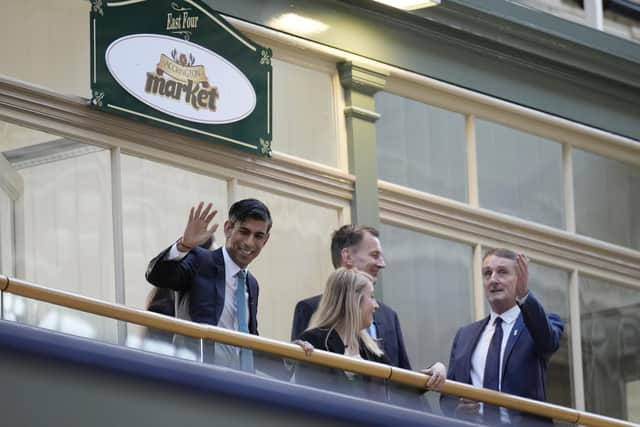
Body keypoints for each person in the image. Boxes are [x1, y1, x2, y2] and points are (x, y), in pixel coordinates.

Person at [441, 249, 564, 426]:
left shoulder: (540, 324)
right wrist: (457, 410)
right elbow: (449, 396)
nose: (493, 279)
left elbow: (548, 342)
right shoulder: (465, 335)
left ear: (520, 279)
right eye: (487, 273)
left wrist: (524, 296)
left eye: (503, 272)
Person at [145, 199, 271, 363]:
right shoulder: (201, 260)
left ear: (265, 240)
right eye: (244, 232)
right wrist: (183, 246)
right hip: (198, 377)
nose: (249, 242)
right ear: (228, 228)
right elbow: (156, 276)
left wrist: (295, 353)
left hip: (239, 383)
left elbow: (250, 341)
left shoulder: (251, 283)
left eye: (258, 236)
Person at [295, 268, 445, 397]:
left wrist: (436, 369)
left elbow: (404, 386)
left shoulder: (371, 350)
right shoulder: (313, 342)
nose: (376, 305)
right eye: (371, 297)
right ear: (354, 301)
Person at [291, 225, 412, 370]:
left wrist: (433, 373)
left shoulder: (389, 317)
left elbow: (402, 377)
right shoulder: (310, 310)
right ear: (347, 256)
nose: (382, 264)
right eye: (374, 255)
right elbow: (300, 369)